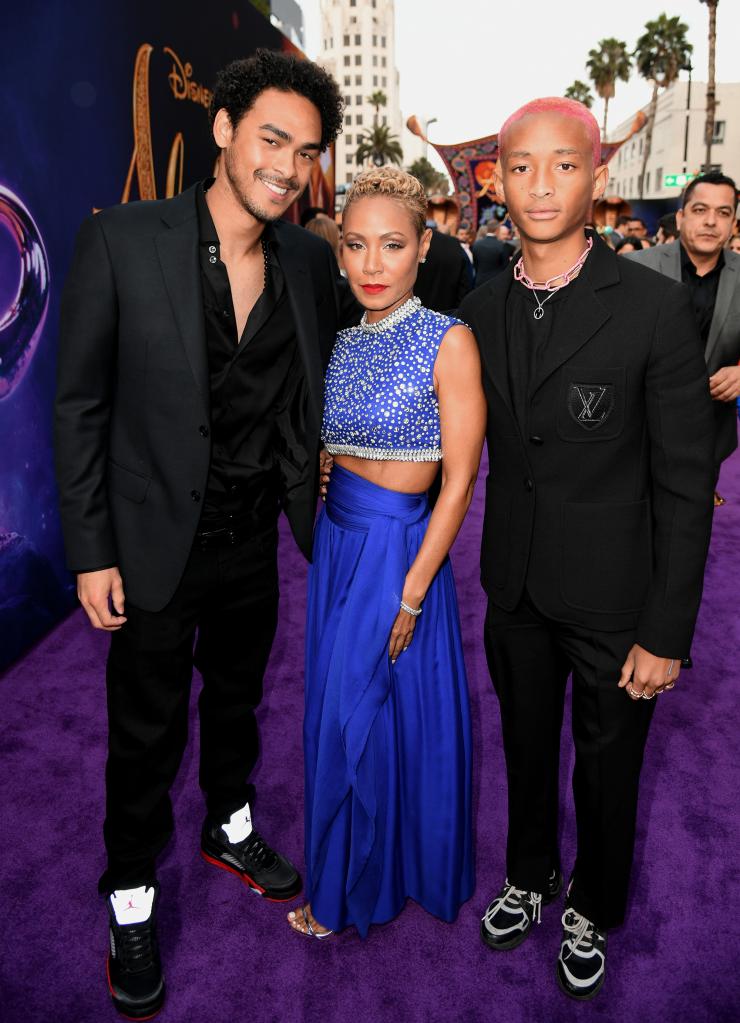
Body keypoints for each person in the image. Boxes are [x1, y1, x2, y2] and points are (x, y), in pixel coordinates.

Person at [55, 50, 356, 1020]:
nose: (286, 166)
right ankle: (130, 894)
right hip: (147, 541)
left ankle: (229, 825)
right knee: (143, 732)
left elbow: (320, 388)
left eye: (306, 152)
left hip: (251, 537)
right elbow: (80, 405)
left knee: (236, 701)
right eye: (271, 139)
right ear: (223, 130)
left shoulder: (309, 259)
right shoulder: (123, 240)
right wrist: (91, 548)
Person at [459, 97, 714, 1002]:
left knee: (610, 767)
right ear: (495, 177)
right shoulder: (480, 306)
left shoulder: (653, 308)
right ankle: (529, 875)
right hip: (515, 586)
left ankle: (592, 903)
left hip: (617, 601)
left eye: (563, 164)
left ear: (595, 175)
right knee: (525, 747)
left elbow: (687, 484)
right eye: (520, 164)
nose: (539, 183)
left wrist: (667, 629)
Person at [286, 166, 485, 940]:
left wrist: (412, 591)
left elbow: (461, 480)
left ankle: (347, 890)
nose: (372, 264)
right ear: (339, 250)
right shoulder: (339, 342)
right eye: (356, 245)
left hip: (400, 549)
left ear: (423, 246)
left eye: (392, 245)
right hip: (338, 545)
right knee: (349, 710)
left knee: (358, 714)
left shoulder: (450, 339)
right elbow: (329, 440)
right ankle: (364, 872)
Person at [626, 171, 740, 506]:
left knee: (688, 537)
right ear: (681, 217)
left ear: (734, 223)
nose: (710, 222)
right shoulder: (635, 268)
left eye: (723, 213)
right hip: (636, 432)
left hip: (707, 436)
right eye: (700, 210)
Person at [414, 220, 472, 311]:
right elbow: (465, 284)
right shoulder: (454, 244)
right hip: (447, 313)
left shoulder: (410, 241)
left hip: (410, 313)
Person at [472, 219, 515, 285]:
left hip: (479, 281)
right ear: (497, 230)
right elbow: (506, 267)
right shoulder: (502, 246)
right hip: (496, 282)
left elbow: (475, 264)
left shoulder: (476, 244)